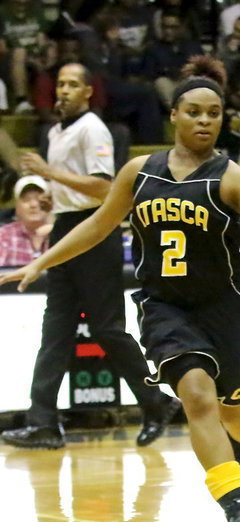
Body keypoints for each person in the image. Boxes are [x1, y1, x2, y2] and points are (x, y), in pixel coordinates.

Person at [0, 56, 240, 522]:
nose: (205, 120)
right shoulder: (138, 172)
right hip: (165, 307)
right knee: (196, 395)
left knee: (234, 408)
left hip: (229, 307)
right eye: (194, 112)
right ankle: (236, 505)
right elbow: (98, 225)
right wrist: (42, 261)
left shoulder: (232, 178)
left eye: (214, 113)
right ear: (174, 116)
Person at [1, 60, 178, 451]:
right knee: (56, 329)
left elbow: (103, 188)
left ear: (87, 92)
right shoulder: (57, 131)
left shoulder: (93, 128)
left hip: (95, 230)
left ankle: (156, 400)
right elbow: (75, 187)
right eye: (59, 84)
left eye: (71, 85)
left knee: (108, 328)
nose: (62, 90)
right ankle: (43, 422)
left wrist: (51, 174)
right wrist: (55, 193)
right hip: (66, 225)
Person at [0, 175, 52, 266]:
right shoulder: (4, 235)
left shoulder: (61, 234)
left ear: (50, 203)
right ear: (17, 206)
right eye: (26, 200)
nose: (33, 205)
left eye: (39, 199)